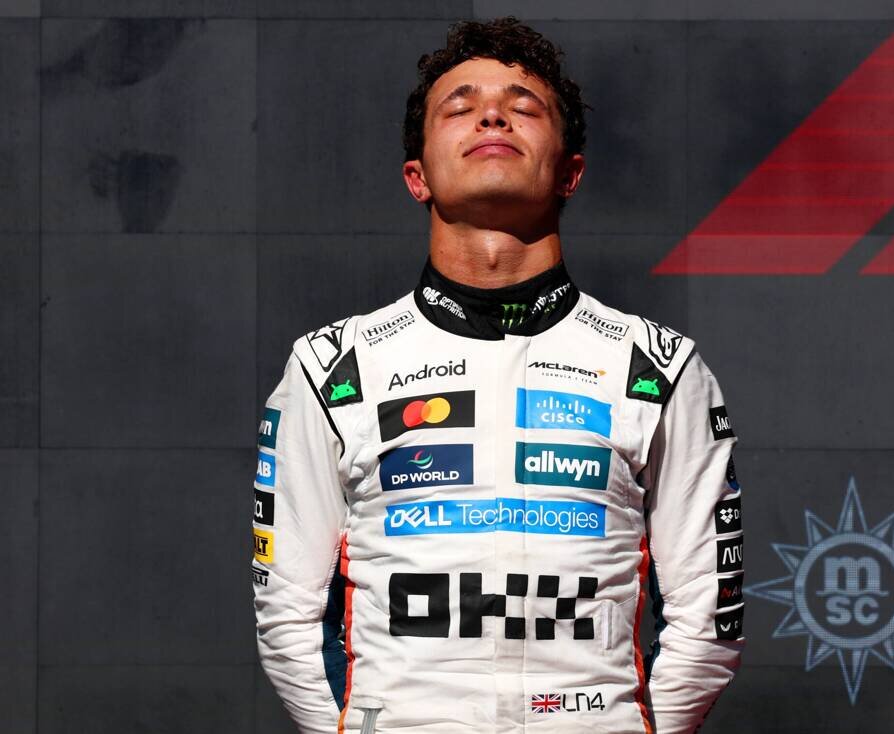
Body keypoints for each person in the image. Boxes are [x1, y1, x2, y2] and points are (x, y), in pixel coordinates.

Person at [252, 17, 744, 734]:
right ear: (417, 177)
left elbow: (708, 613)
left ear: (570, 171)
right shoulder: (333, 367)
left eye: (523, 107)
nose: (491, 116)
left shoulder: (659, 366)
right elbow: (289, 614)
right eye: (460, 107)